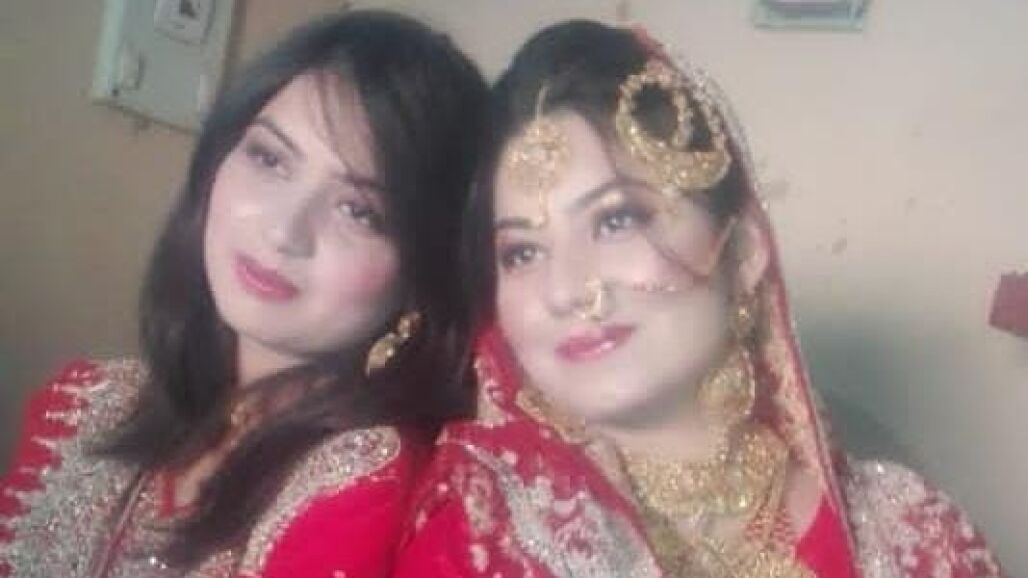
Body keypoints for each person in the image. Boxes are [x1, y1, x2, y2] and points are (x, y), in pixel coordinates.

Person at [394, 20, 1003, 578]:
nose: (566, 290)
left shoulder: (910, 535)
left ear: (743, 251)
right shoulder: (483, 527)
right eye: (521, 252)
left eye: (617, 220)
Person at [0, 10, 485, 577]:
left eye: (358, 210)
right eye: (269, 158)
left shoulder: (366, 486)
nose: (283, 230)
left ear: (424, 273)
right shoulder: (85, 404)